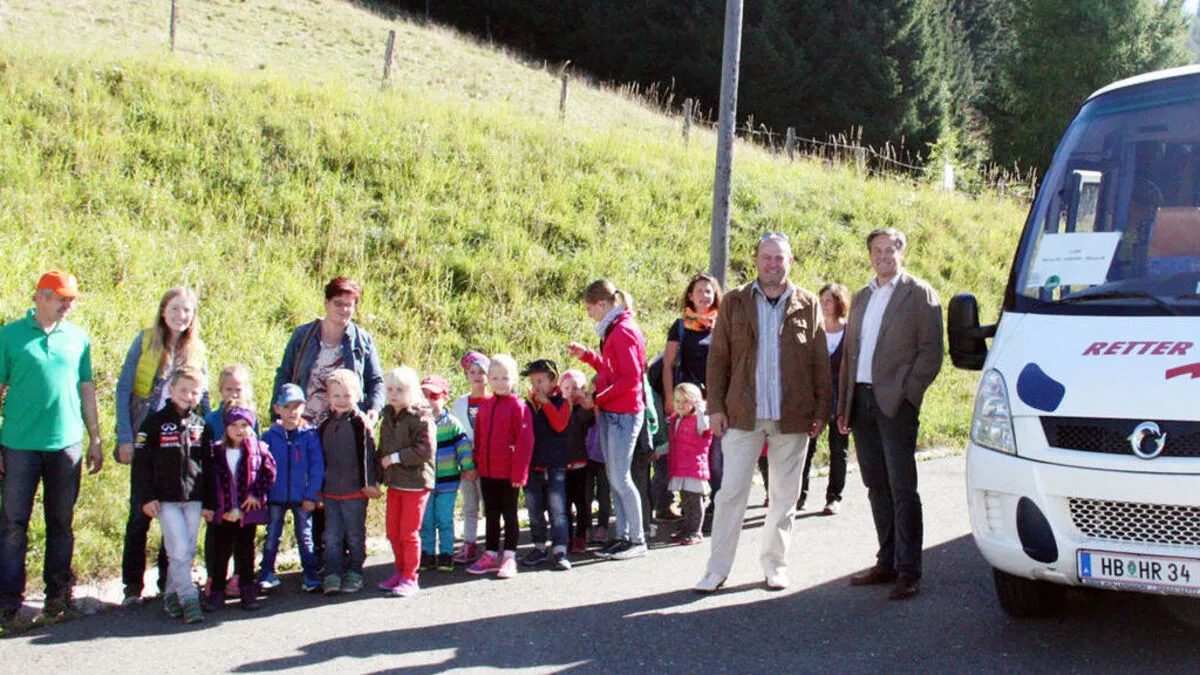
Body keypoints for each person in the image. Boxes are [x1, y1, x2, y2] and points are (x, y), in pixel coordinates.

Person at [695, 233, 831, 594]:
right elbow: (718, 358)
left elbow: (820, 361)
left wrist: (821, 409)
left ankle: (775, 566)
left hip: (793, 415)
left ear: (791, 261)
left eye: (780, 258)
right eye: (767, 257)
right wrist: (716, 408)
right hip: (742, 414)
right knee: (730, 495)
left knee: (785, 497)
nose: (773, 264)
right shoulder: (736, 302)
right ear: (755, 259)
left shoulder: (808, 303)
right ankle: (717, 570)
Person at [838, 227, 943, 601]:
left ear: (902, 252)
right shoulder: (862, 296)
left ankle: (910, 571)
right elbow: (851, 355)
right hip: (862, 402)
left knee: (902, 489)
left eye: (890, 249)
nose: (883, 256)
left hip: (895, 404)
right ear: (869, 255)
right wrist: (844, 404)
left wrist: (908, 395)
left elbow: (931, 352)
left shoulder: (919, 294)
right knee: (875, 486)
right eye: (877, 250)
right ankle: (887, 562)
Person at [0, 270, 104, 626]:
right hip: (18, 445)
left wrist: (95, 437)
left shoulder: (78, 338)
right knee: (13, 525)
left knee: (61, 523)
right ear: (40, 296)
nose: (67, 305)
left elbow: (86, 388)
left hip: (66, 445)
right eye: (61, 298)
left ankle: (58, 599)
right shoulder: (9, 336)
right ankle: (8, 604)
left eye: (71, 299)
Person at [273, 277, 384, 572]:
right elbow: (284, 373)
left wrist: (373, 410)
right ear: (326, 303)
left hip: (344, 426)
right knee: (315, 489)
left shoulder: (361, 340)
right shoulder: (304, 336)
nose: (344, 310)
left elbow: (376, 381)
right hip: (307, 426)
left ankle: (349, 556)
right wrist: (279, 412)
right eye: (338, 303)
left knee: (345, 488)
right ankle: (322, 558)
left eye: (350, 305)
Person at [114, 286, 209, 607]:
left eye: (187, 311)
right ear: (163, 310)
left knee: (179, 513)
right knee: (141, 512)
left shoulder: (197, 350)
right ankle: (131, 586)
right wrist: (125, 437)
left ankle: (171, 582)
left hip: (181, 446)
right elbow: (125, 388)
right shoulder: (144, 342)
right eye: (175, 309)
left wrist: (210, 440)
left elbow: (204, 400)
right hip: (147, 440)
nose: (181, 316)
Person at [567, 279, 649, 561]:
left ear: (602, 304)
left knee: (621, 478)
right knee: (615, 478)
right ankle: (623, 536)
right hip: (614, 412)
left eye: (590, 308)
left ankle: (637, 538)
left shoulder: (623, 331)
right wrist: (588, 356)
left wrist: (598, 400)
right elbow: (612, 371)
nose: (589, 313)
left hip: (623, 414)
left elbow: (630, 379)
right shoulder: (615, 329)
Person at [130, 367, 210, 624]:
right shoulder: (154, 423)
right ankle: (189, 598)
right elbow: (141, 464)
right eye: (183, 390)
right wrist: (146, 496)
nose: (188, 396)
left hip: (194, 498)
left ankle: (171, 595)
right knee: (178, 549)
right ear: (171, 391)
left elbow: (208, 467)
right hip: (165, 499)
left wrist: (210, 502)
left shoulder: (202, 425)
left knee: (187, 548)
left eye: (194, 392)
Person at [662, 273, 723, 530]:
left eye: (708, 291)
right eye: (699, 291)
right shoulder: (680, 326)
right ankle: (690, 511)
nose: (704, 296)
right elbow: (667, 364)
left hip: (716, 402)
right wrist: (668, 397)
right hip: (688, 405)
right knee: (688, 458)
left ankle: (715, 510)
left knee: (717, 459)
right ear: (690, 295)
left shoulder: (722, 324)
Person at [202, 407, 276, 612]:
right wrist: (213, 505)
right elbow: (208, 479)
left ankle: (247, 592)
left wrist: (256, 495)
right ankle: (217, 592)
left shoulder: (259, 449)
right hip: (223, 512)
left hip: (246, 512)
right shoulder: (216, 451)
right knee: (220, 553)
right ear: (226, 428)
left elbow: (268, 474)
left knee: (245, 553)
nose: (239, 429)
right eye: (234, 425)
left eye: (244, 425)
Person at [466, 355, 533, 579]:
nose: (500, 382)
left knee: (510, 514)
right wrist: (476, 463)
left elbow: (525, 442)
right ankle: (491, 553)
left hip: (508, 473)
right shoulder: (485, 406)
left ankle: (510, 556)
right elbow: (479, 437)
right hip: (487, 471)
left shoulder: (519, 406)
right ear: (489, 380)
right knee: (491, 513)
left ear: (513, 379)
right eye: (495, 377)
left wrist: (520, 473)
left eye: (505, 378)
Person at [316, 369, 382, 595]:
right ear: (328, 397)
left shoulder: (360, 423)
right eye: (336, 396)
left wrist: (369, 483)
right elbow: (318, 460)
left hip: (356, 491)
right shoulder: (324, 424)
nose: (342, 401)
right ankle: (333, 573)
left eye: (347, 395)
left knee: (354, 534)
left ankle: (354, 571)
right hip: (331, 492)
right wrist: (317, 490)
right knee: (332, 536)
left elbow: (368, 454)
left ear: (357, 396)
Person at [259, 384, 325, 593]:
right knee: (272, 535)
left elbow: (317, 468)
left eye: (296, 406)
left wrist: (312, 495)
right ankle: (267, 572)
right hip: (276, 495)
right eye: (286, 407)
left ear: (304, 407)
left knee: (305, 536)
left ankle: (310, 575)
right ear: (277, 409)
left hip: (302, 496)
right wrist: (263, 492)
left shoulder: (310, 435)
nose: (292, 412)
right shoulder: (269, 436)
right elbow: (261, 466)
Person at [376, 367, 436, 598]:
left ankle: (411, 577)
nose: (393, 394)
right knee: (393, 531)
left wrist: (396, 458)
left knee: (408, 533)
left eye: (400, 390)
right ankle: (399, 571)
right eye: (390, 389)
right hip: (395, 483)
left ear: (412, 391)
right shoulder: (388, 416)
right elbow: (382, 449)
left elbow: (425, 450)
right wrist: (378, 477)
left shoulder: (421, 417)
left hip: (416, 483)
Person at [203, 363, 256, 598]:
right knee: (217, 536)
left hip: (244, 491)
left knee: (244, 537)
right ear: (220, 391)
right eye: (228, 389)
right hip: (220, 491)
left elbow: (258, 455)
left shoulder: (252, 419)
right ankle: (214, 577)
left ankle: (241, 578)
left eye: (238, 389)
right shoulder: (212, 420)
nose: (234, 394)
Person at [800, 284, 852, 515]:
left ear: (840, 303)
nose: (824, 305)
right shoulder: (814, 330)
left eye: (829, 300)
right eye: (821, 300)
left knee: (838, 449)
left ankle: (834, 497)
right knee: (805, 447)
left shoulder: (850, 332)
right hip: (814, 397)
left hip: (841, 397)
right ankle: (799, 496)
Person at [520, 359, 573, 571]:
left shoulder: (562, 403)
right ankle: (539, 547)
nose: (536, 386)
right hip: (532, 466)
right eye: (533, 382)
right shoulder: (528, 405)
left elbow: (560, 425)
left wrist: (547, 404)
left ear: (553, 381)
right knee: (534, 509)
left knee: (558, 510)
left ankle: (560, 549)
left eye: (541, 380)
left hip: (555, 466)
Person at [418, 375, 474, 573]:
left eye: (433, 396)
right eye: (423, 396)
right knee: (426, 521)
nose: (428, 401)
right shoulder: (418, 423)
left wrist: (467, 467)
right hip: (425, 483)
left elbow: (463, 447)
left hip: (447, 483)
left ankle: (446, 553)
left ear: (444, 397)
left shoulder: (451, 423)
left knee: (444, 519)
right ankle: (427, 554)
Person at [450, 350, 490, 564]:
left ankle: (492, 545)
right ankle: (469, 544)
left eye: (481, 372)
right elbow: (458, 433)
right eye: (472, 372)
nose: (476, 376)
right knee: (469, 505)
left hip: (489, 463)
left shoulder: (493, 400)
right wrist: (463, 462)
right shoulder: (460, 403)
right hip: (465, 462)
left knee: (489, 504)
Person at [668, 383, 712, 546]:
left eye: (685, 401)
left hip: (694, 467)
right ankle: (686, 528)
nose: (680, 405)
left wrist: (700, 408)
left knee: (694, 501)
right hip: (681, 467)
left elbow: (706, 428)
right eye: (677, 401)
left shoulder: (699, 420)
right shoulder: (676, 420)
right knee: (685, 500)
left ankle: (695, 531)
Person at [559, 369, 595, 553]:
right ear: (560, 389)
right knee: (564, 506)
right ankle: (566, 536)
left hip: (581, 464)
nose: (571, 392)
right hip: (562, 465)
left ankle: (581, 536)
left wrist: (585, 400)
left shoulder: (583, 412)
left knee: (582, 503)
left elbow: (588, 419)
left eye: (576, 388)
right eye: (567, 388)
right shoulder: (557, 408)